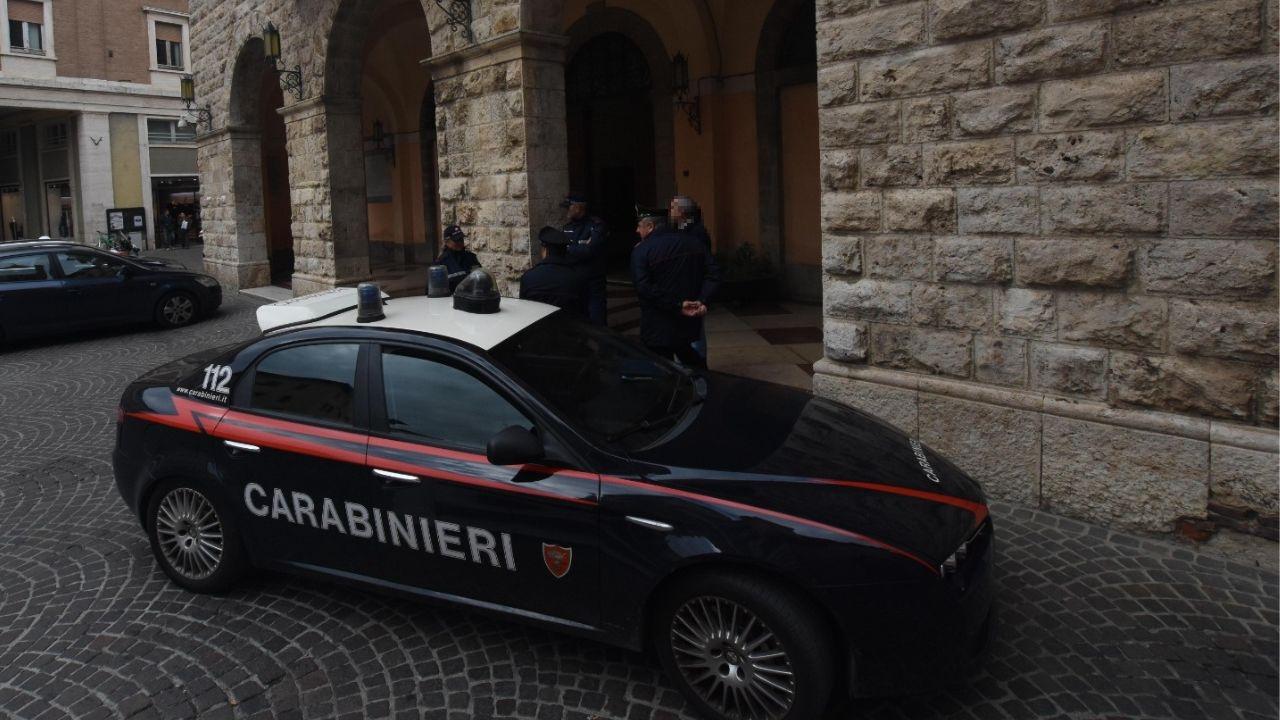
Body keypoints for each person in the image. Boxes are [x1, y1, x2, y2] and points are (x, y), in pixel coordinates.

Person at [630, 209, 720, 369]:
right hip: (689, 323)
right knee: (694, 365)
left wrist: (678, 304)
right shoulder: (694, 242)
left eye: (639, 226)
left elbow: (643, 287)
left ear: (650, 226)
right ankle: (702, 389)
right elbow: (713, 274)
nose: (637, 231)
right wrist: (701, 300)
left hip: (657, 325)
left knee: (663, 370)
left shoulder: (642, 250)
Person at [669, 195, 712, 360]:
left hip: (692, 284)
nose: (670, 212)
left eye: (673, 208)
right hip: (683, 284)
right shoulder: (681, 229)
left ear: (682, 212)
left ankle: (697, 366)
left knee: (695, 330)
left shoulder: (696, 232)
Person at [519, 226, 589, 318]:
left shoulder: (528, 277)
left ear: (545, 250)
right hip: (570, 331)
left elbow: (524, 312)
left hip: (538, 331)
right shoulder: (578, 278)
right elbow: (584, 312)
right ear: (564, 252)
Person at [560, 193, 607, 326]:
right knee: (578, 318)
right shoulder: (567, 228)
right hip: (575, 279)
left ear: (578, 208)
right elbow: (562, 252)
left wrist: (569, 248)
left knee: (597, 319)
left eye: (568, 207)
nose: (566, 211)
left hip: (593, 280)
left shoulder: (596, 226)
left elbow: (590, 251)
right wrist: (580, 247)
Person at [434, 224, 481, 293]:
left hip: (471, 298)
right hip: (450, 301)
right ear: (447, 242)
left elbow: (481, 278)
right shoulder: (441, 262)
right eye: (456, 240)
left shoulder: (471, 257)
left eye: (461, 239)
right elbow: (434, 290)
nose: (460, 242)